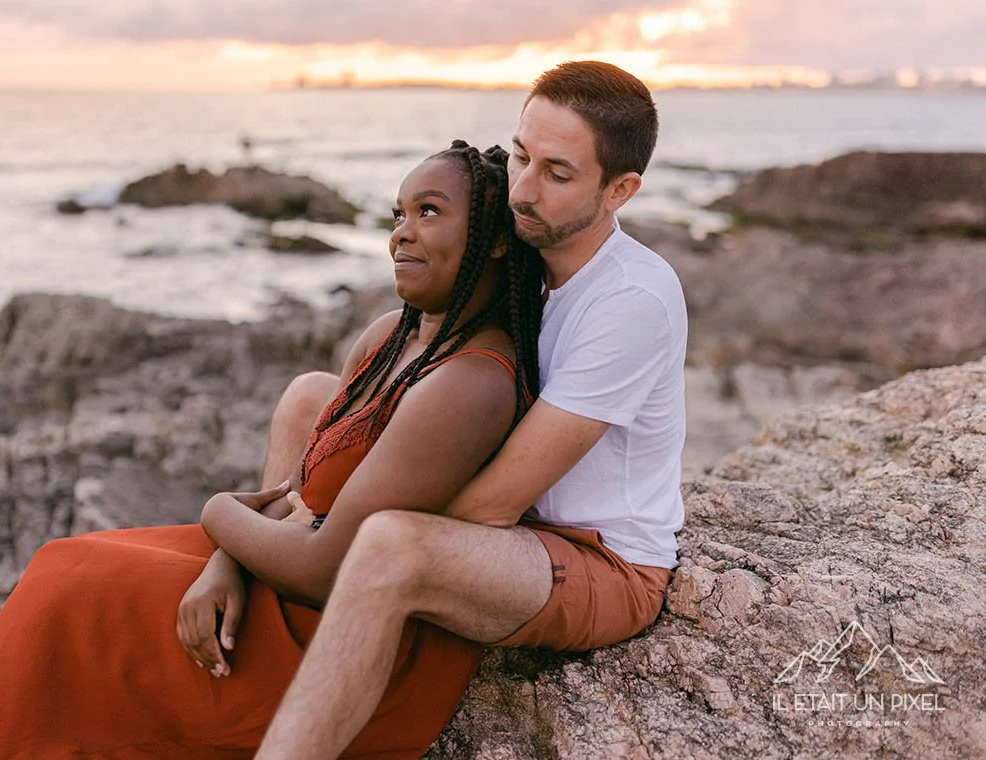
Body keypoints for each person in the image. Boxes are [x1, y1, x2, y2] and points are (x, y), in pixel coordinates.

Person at [0, 141, 543, 760]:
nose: (401, 234)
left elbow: (329, 571)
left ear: (496, 239)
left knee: (68, 600)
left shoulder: (472, 382)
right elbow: (292, 495)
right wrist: (224, 564)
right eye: (398, 214)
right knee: (62, 565)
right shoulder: (390, 337)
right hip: (284, 571)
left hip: (350, 640)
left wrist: (218, 511)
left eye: (430, 212)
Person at [252, 60, 687, 759]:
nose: (523, 188)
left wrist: (331, 534)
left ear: (620, 190)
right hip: (517, 536)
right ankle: (267, 601)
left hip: (597, 559)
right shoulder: (522, 260)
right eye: (519, 156)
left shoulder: (629, 300)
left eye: (557, 173)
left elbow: (491, 506)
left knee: (389, 542)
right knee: (311, 396)